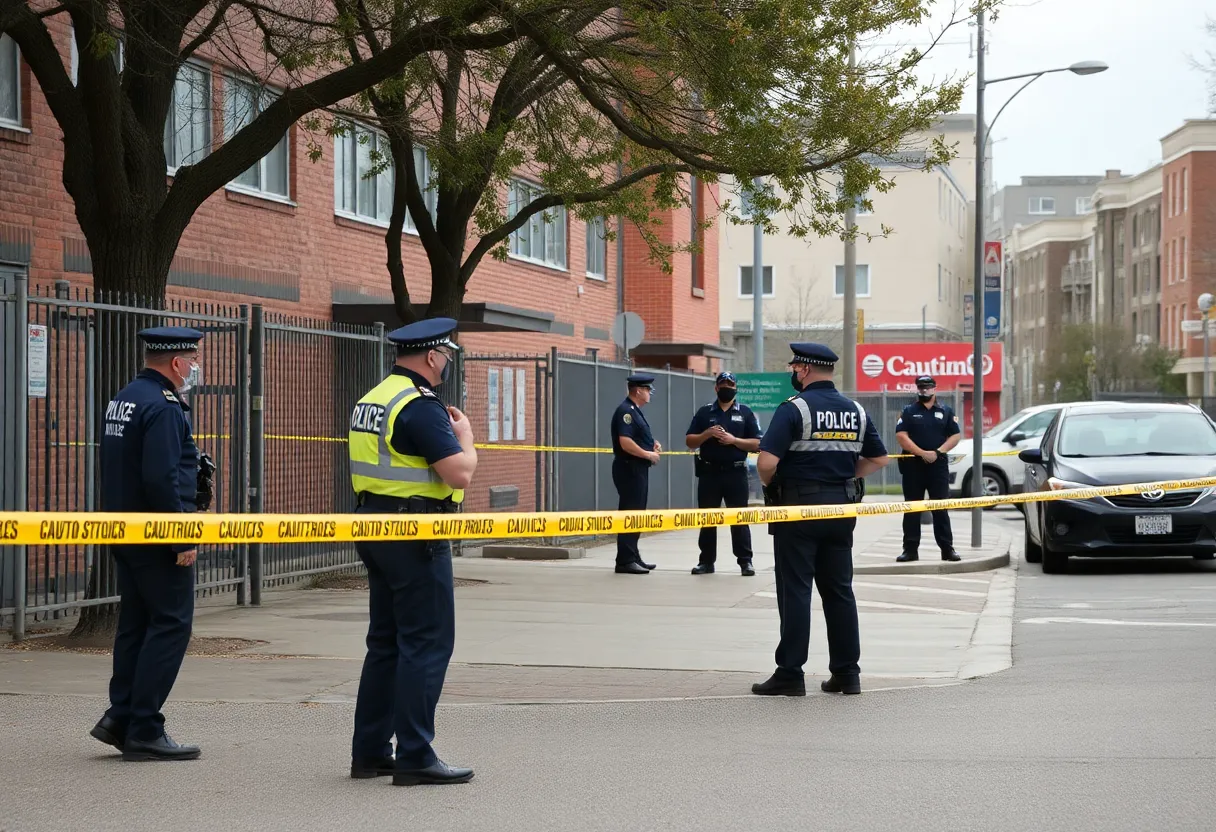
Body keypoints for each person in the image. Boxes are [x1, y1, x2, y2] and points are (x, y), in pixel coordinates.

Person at [347, 317, 478, 786]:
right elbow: (458, 474)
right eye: (444, 355)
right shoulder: (420, 405)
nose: (445, 363)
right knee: (426, 641)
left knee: (385, 642)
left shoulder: (373, 399)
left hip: (375, 526)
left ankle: (371, 752)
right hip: (415, 532)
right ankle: (417, 755)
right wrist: (466, 440)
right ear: (430, 356)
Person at [91, 326, 209, 761]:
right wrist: (180, 537)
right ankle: (144, 726)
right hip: (157, 534)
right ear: (176, 363)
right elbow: (161, 477)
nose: (195, 367)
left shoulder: (126, 396)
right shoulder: (164, 406)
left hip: (124, 528)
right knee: (171, 624)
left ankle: (120, 716)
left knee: (136, 625)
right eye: (193, 360)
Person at [751, 343, 890, 697]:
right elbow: (879, 459)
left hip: (798, 511)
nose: (792, 372)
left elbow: (766, 462)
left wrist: (773, 484)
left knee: (795, 589)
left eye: (794, 367)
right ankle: (846, 673)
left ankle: (790, 673)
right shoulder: (856, 410)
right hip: (841, 510)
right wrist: (844, 476)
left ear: (805, 370)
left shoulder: (794, 409)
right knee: (839, 591)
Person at [685, 371, 762, 576]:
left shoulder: (745, 412)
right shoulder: (704, 412)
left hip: (735, 473)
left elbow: (758, 443)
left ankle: (745, 561)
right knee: (708, 519)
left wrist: (733, 440)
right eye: (723, 384)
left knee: (739, 519)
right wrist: (707, 434)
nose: (726, 387)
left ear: (736, 388)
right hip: (709, 473)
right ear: (716, 388)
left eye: (730, 384)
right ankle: (706, 561)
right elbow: (690, 441)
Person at [894, 374, 962, 562]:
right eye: (921, 388)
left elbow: (955, 436)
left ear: (934, 388)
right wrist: (922, 453)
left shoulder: (946, 411)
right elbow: (901, 436)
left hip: (937, 466)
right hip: (913, 465)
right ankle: (910, 550)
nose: (924, 391)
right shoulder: (908, 411)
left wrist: (938, 452)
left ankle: (947, 549)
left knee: (940, 508)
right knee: (912, 508)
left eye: (927, 387)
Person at [610, 373, 661, 574]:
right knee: (630, 513)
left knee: (637, 514)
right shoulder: (626, 412)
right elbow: (625, 442)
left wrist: (652, 444)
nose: (650, 393)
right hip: (629, 467)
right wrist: (647, 454)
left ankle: (633, 555)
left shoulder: (636, 411)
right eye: (647, 389)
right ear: (638, 390)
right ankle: (624, 560)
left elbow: (636, 437)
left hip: (638, 468)